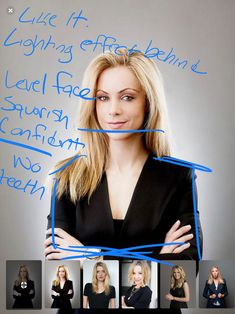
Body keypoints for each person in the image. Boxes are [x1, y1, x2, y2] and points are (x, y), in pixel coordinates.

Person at [44, 48, 202, 262]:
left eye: (127, 97)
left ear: (148, 102)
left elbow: (181, 273)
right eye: (103, 98)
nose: (113, 110)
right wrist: (156, 261)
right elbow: (58, 271)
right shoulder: (66, 177)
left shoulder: (179, 177)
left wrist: (87, 258)